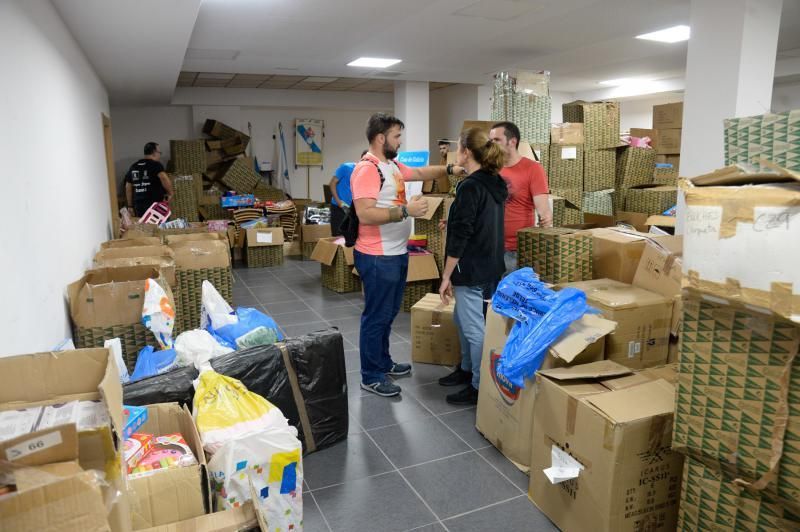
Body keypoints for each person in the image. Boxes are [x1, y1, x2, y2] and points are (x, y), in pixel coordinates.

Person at [351, 113, 466, 397]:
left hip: (396, 252)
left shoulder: (390, 165)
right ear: (381, 138)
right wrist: (405, 211)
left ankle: (383, 362)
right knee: (376, 316)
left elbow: (421, 173)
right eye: (396, 136)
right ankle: (371, 375)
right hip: (377, 257)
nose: (400, 141)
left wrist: (451, 169)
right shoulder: (367, 169)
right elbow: (364, 214)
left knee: (388, 313)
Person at [438, 127, 508, 405]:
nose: (457, 151)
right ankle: (466, 370)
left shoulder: (470, 186)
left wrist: (446, 276)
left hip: (470, 267)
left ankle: (479, 386)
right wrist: (453, 221)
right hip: (490, 263)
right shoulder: (493, 181)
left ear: (466, 152)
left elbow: (462, 235)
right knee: (462, 320)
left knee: (473, 328)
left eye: (458, 147)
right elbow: (477, 222)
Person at [489, 122, 552, 272]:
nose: (491, 145)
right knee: (489, 294)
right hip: (489, 246)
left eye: (496, 140)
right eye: (490, 141)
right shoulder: (489, 169)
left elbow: (544, 211)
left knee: (511, 294)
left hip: (515, 250)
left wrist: (546, 222)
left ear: (512, 142)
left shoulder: (532, 169)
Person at [125, 142, 174, 217]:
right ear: (154, 153)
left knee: (143, 226)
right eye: (159, 153)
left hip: (138, 204)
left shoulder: (134, 166)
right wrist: (170, 193)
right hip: (154, 205)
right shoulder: (156, 165)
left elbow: (128, 187)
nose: (160, 155)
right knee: (158, 226)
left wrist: (130, 206)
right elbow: (164, 178)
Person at [329, 150, 368, 236]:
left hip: (353, 210)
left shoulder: (366, 174)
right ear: (361, 159)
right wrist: (339, 202)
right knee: (338, 237)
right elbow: (332, 184)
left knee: (351, 237)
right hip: (338, 207)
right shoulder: (346, 167)